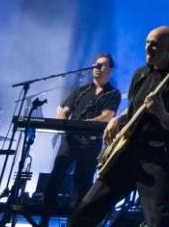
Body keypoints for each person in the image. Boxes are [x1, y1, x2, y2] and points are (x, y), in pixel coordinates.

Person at [68, 27, 169, 227]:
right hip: (126, 153)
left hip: (156, 157)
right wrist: (116, 119)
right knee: (83, 214)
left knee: (159, 220)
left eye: (155, 45)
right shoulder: (141, 73)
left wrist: (161, 112)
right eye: (147, 43)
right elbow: (135, 108)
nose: (148, 48)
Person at [41, 55, 120, 220]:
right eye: (96, 65)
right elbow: (63, 109)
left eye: (102, 66)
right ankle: (45, 216)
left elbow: (107, 115)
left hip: (91, 143)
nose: (97, 68)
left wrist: (84, 123)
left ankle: (76, 219)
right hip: (71, 140)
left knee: (83, 181)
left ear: (110, 70)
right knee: (57, 174)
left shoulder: (113, 93)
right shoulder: (81, 90)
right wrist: (63, 124)